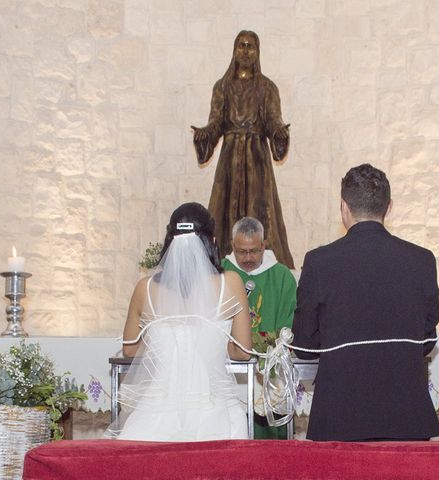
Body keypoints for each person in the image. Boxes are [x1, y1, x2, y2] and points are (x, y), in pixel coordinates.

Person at [292, 164, 439, 442]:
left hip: (339, 414)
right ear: (389, 207)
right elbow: (427, 339)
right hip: (406, 412)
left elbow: (304, 345)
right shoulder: (422, 260)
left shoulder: (319, 262)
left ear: (344, 208)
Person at [106, 202, 252, 442]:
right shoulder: (232, 283)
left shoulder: (145, 288)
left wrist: (161, 344)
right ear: (212, 240)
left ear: (169, 241)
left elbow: (130, 348)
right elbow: (243, 352)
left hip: (157, 411)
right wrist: (215, 342)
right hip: (215, 410)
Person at [192, 30, 294, 269]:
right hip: (230, 157)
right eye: (241, 45)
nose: (246, 51)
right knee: (223, 207)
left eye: (250, 46)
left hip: (257, 159)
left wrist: (279, 132)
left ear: (257, 52)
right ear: (234, 50)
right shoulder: (222, 86)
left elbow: (273, 120)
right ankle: (220, 258)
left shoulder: (268, 88)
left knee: (260, 207)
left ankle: (263, 259)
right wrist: (205, 133)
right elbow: (216, 122)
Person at [222, 216, 297, 439]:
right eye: (241, 251)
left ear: (263, 245)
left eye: (254, 251)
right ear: (232, 246)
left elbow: (289, 322)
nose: (247, 258)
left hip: (269, 367)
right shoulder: (221, 271)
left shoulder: (282, 276)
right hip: (228, 365)